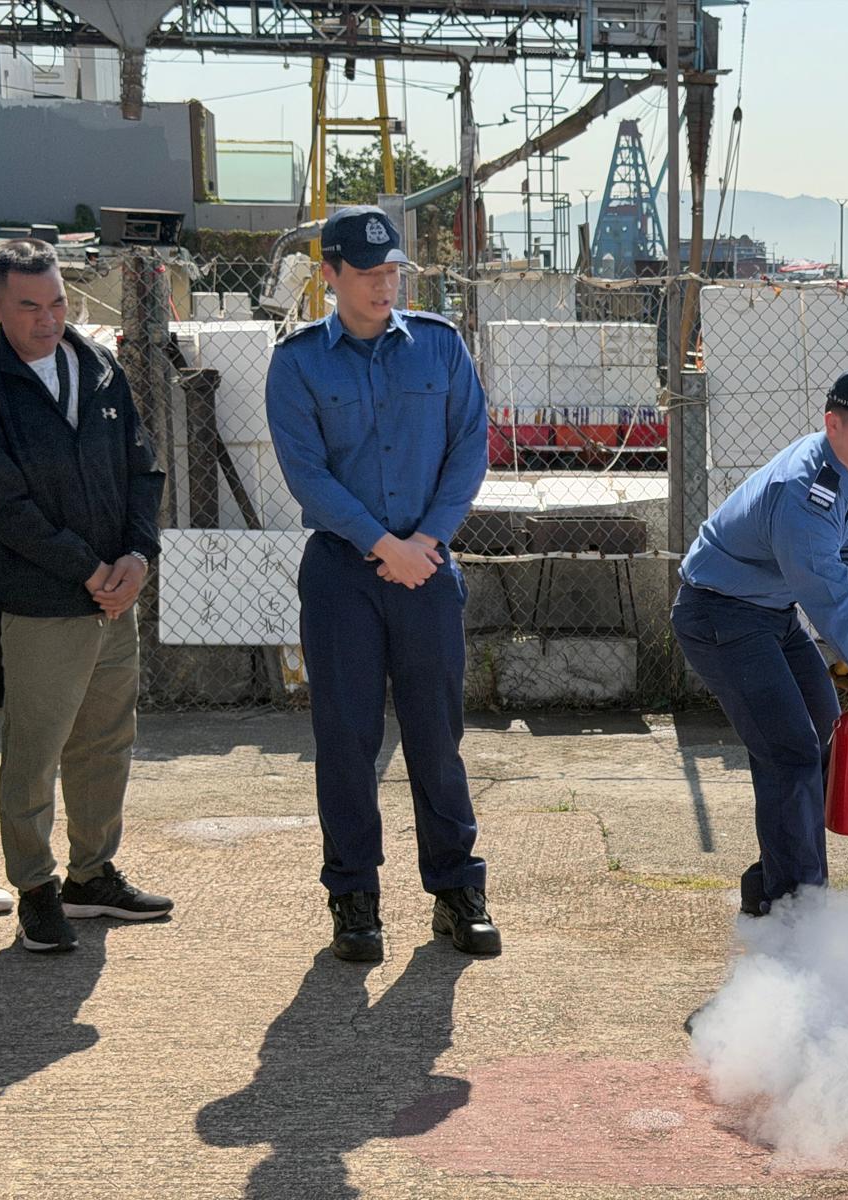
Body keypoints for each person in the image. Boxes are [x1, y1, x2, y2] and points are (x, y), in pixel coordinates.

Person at [266, 206, 499, 963]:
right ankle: (354, 898)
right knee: (345, 739)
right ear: (329, 275)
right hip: (343, 572)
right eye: (367, 273)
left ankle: (457, 892)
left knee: (437, 738)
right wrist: (381, 544)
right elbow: (306, 473)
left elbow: (470, 447)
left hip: (427, 567)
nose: (383, 285)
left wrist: (422, 542)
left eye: (393, 270)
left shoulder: (438, 344)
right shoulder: (298, 361)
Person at [672, 362, 848, 918]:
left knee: (822, 722)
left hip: (769, 613)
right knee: (791, 752)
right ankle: (798, 911)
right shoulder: (806, 495)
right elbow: (834, 612)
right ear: (833, 424)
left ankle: (775, 885)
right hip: (720, 616)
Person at [0, 238, 172, 953]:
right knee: (35, 751)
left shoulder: (97, 366)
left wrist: (138, 556)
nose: (48, 319)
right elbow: (3, 505)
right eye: (29, 306)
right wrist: (86, 569)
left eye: (58, 302)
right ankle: (36, 888)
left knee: (107, 741)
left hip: (112, 598)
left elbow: (142, 468)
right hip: (43, 602)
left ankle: (91, 876)